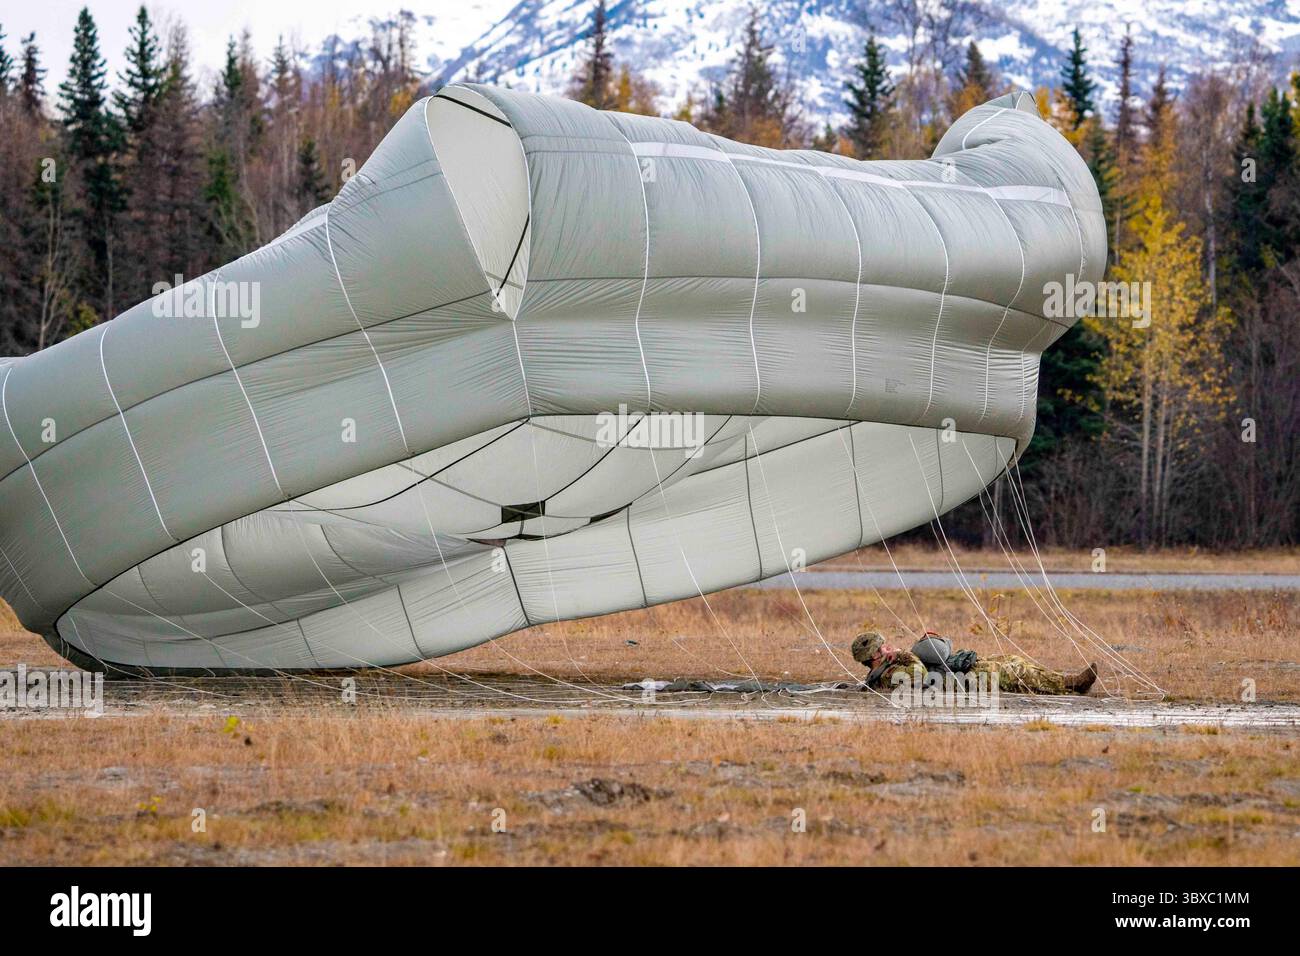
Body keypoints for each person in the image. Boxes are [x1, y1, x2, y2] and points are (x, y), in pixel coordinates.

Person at [850, 631, 1098, 695]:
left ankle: (1062, 681)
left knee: (1012, 659)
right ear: (874, 656)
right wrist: (905, 654)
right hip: (964, 682)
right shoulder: (886, 675)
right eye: (883, 646)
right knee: (1013, 672)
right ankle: (1070, 685)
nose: (889, 647)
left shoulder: (887, 668)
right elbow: (918, 676)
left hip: (960, 671)